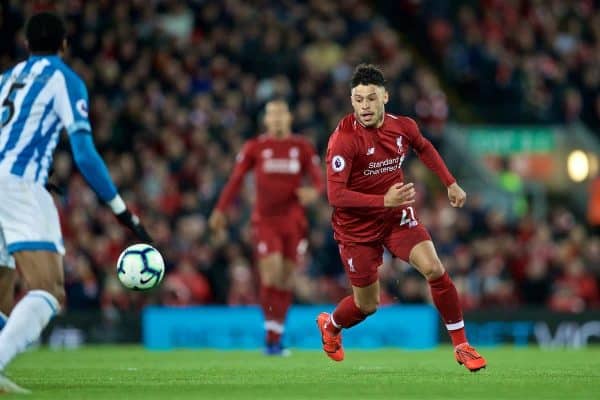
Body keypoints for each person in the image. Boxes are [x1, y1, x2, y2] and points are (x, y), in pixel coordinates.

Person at [0, 12, 152, 393]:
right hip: (18, 184)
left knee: (3, 286)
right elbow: (84, 154)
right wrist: (120, 209)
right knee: (48, 290)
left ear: (25, 44)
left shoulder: (5, 81)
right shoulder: (64, 80)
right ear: (64, 45)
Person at [316, 64, 486, 372]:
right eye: (357, 100)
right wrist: (384, 199)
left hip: (396, 217)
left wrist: (450, 182)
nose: (364, 106)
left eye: (370, 98)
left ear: (385, 97)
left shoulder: (402, 126)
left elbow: (424, 147)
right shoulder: (343, 139)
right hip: (356, 228)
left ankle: (462, 345)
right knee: (367, 305)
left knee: (434, 268)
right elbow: (335, 196)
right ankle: (331, 326)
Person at [209, 99, 324, 355]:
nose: (277, 119)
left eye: (281, 114)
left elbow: (319, 181)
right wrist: (220, 209)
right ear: (266, 120)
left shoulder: (302, 147)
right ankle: (271, 337)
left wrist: (314, 192)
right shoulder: (256, 147)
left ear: (289, 118)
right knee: (271, 275)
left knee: (285, 281)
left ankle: (276, 336)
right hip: (265, 221)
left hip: (294, 223)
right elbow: (236, 179)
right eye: (272, 114)